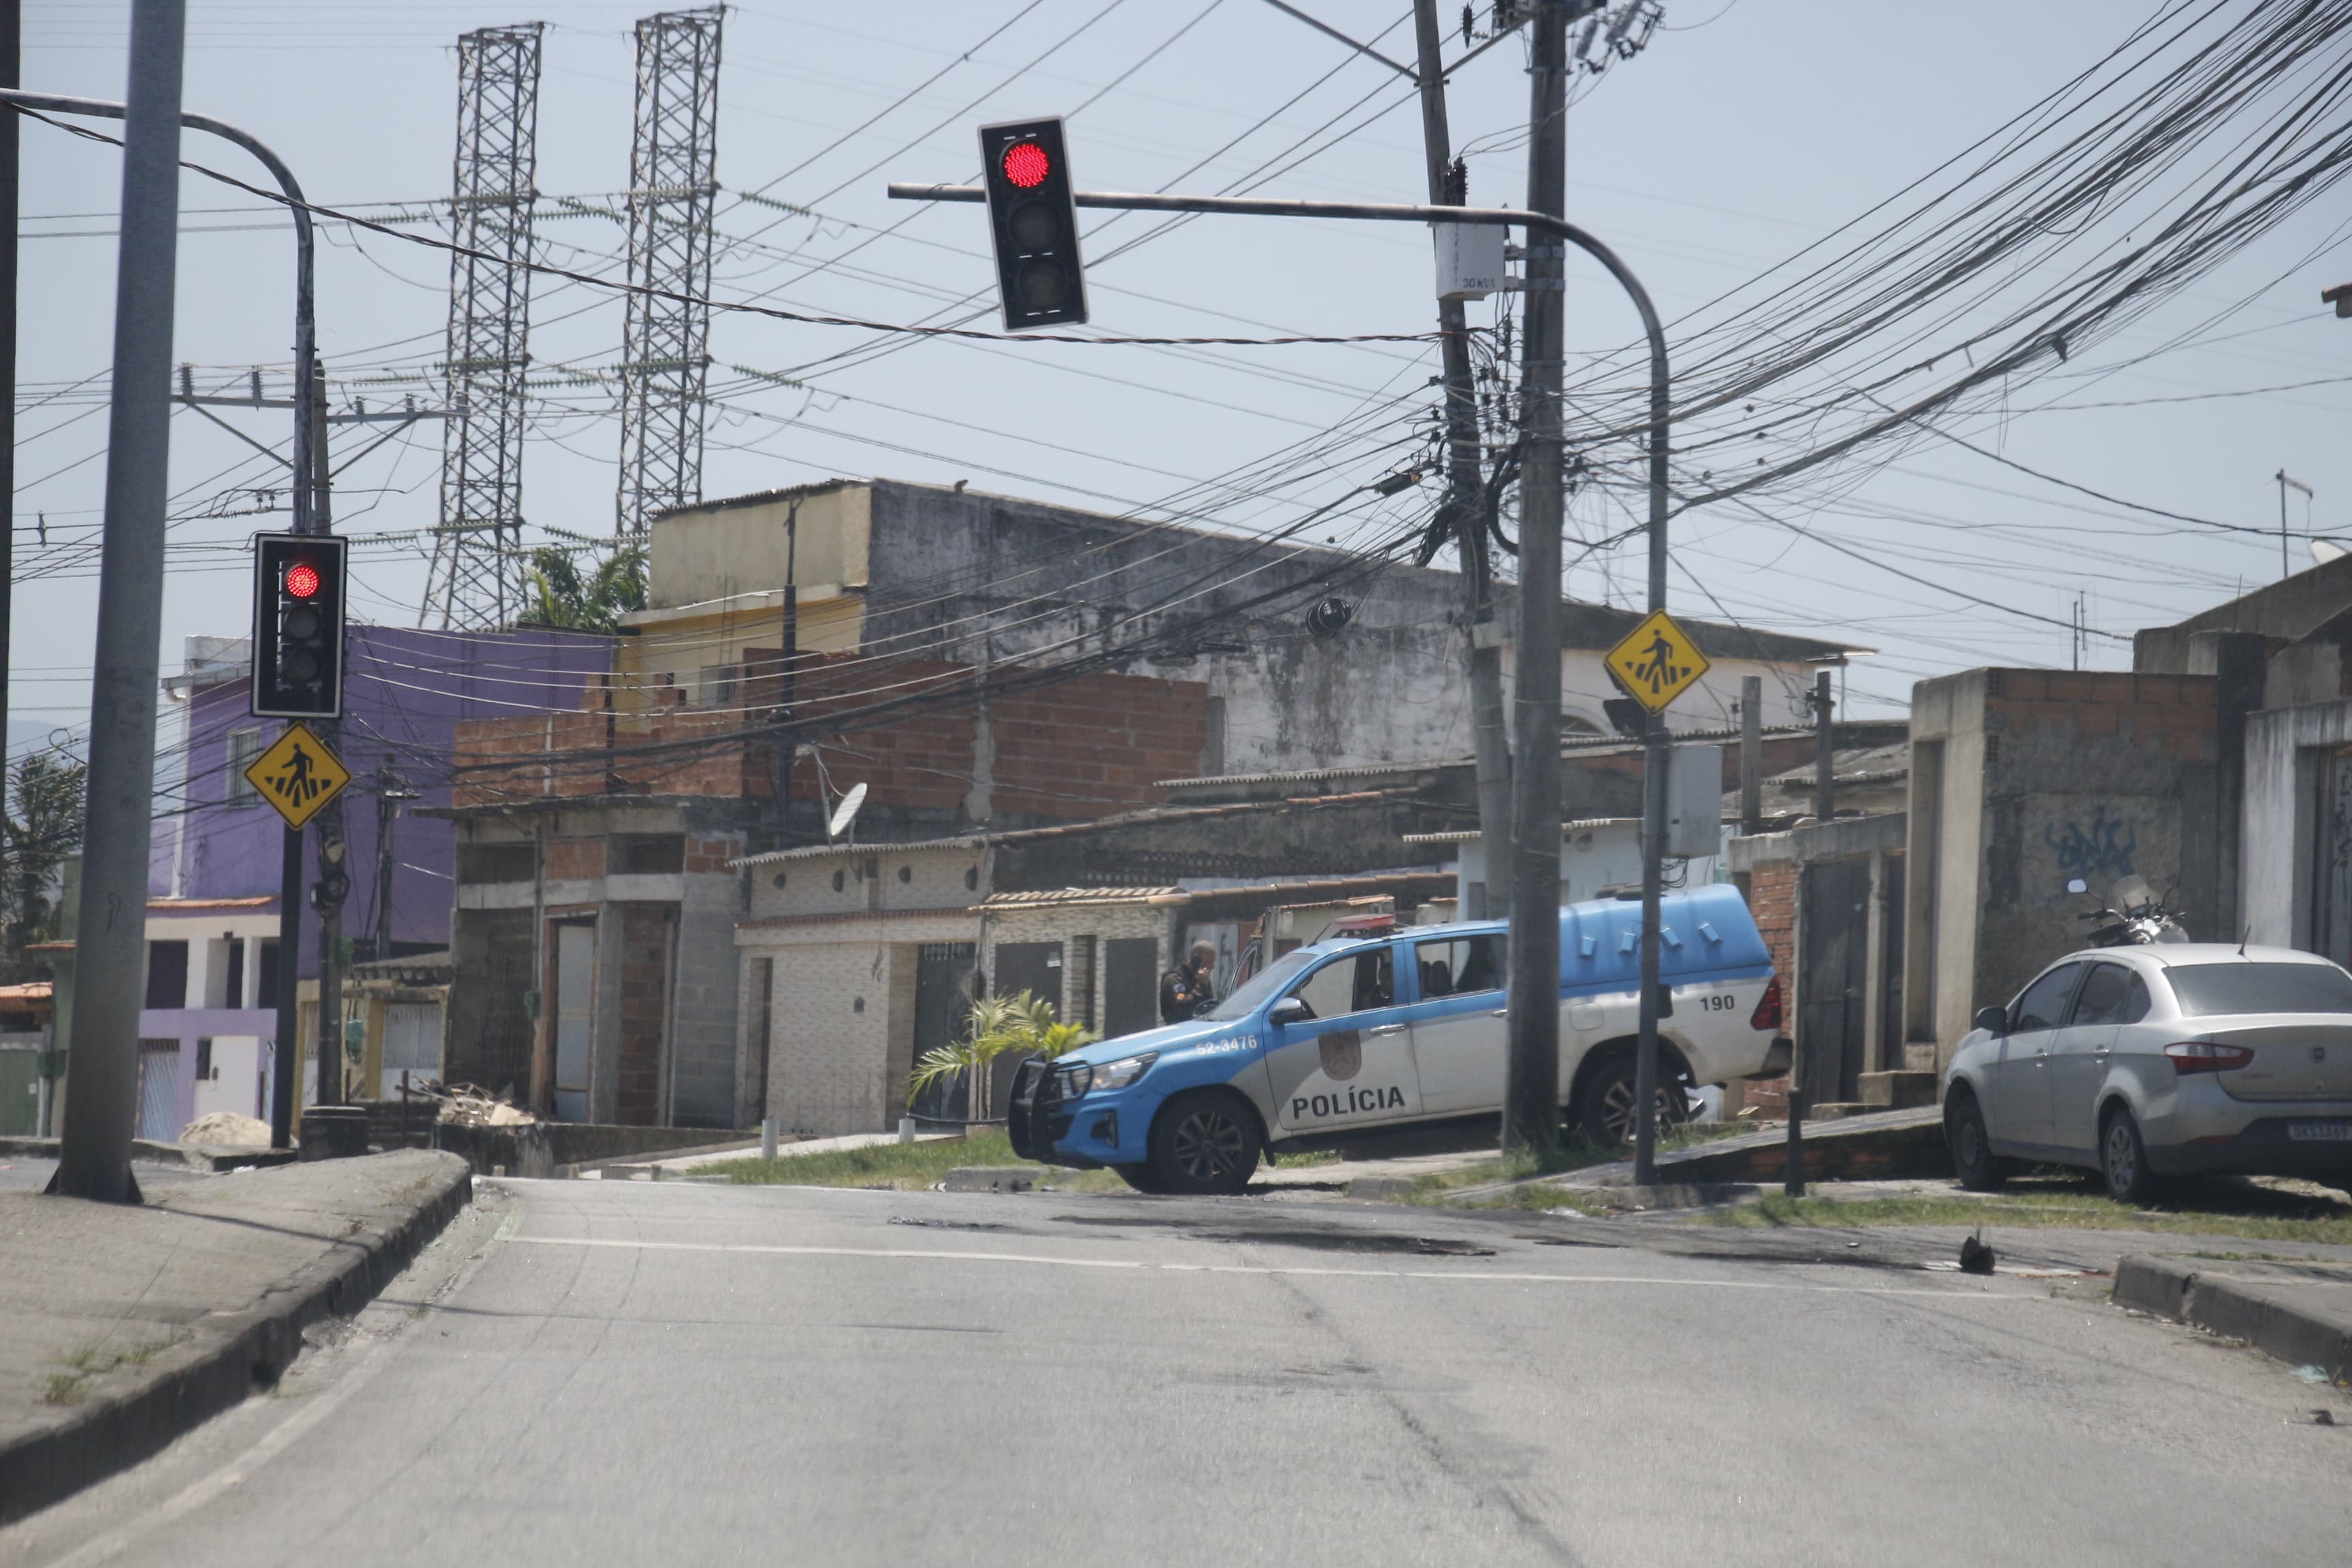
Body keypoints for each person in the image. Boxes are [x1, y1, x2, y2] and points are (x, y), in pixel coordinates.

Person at [1159, 941, 1219, 1024]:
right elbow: (1182, 1008)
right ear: (1196, 960)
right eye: (1210, 961)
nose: (1213, 966)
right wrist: (1200, 986)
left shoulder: (1201, 979)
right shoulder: (1174, 980)